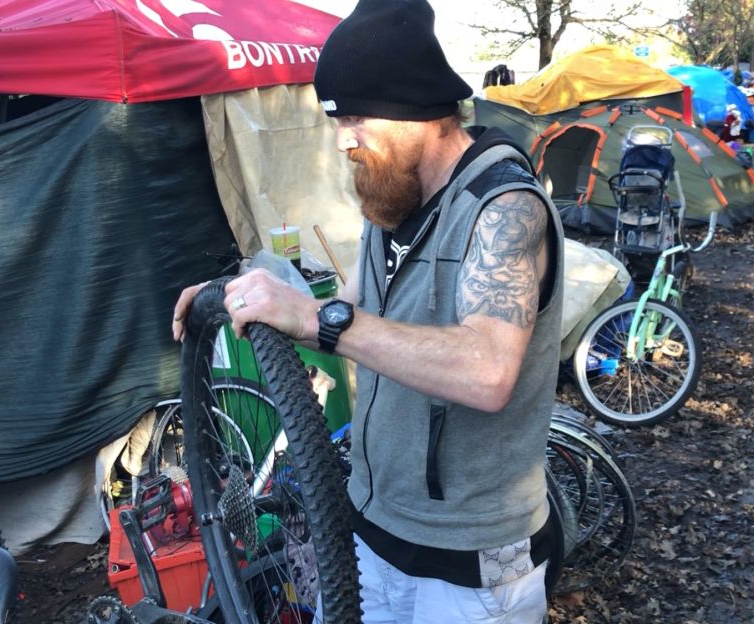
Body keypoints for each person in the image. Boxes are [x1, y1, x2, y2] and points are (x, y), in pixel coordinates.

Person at [172, 0, 565, 621]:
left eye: (354, 117)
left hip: (471, 561)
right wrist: (242, 292)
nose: (342, 139)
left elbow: (488, 372)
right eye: (333, 118)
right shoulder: (392, 194)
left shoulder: (506, 209)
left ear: (421, 111)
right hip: (371, 525)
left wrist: (315, 322)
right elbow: (353, 302)